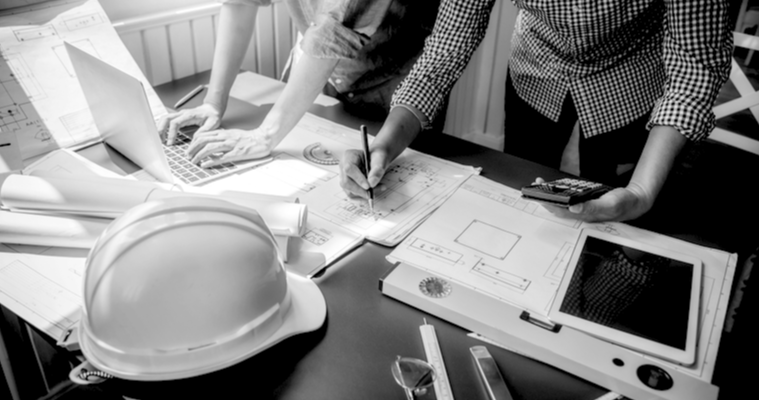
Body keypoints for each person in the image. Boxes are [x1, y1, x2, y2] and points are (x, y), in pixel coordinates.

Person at [339, 0, 733, 223]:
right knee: (526, 197)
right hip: (535, 69)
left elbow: (695, 67)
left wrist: (641, 193)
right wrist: (386, 145)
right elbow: (446, 48)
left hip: (630, 80)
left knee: (613, 218)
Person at [157, 0, 461, 168]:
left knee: (389, 181)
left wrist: (266, 133)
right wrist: (214, 101)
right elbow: (242, 3)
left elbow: (338, 26)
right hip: (312, 70)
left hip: (398, 84)